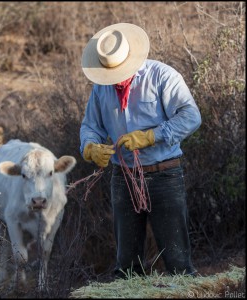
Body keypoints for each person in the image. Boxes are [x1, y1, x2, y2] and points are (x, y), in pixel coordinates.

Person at [79, 23, 201, 278]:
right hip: (123, 177)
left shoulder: (163, 76)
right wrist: (90, 147)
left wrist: (151, 136)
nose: (115, 79)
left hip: (164, 175)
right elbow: (91, 125)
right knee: (127, 264)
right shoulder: (101, 87)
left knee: (178, 260)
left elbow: (191, 116)